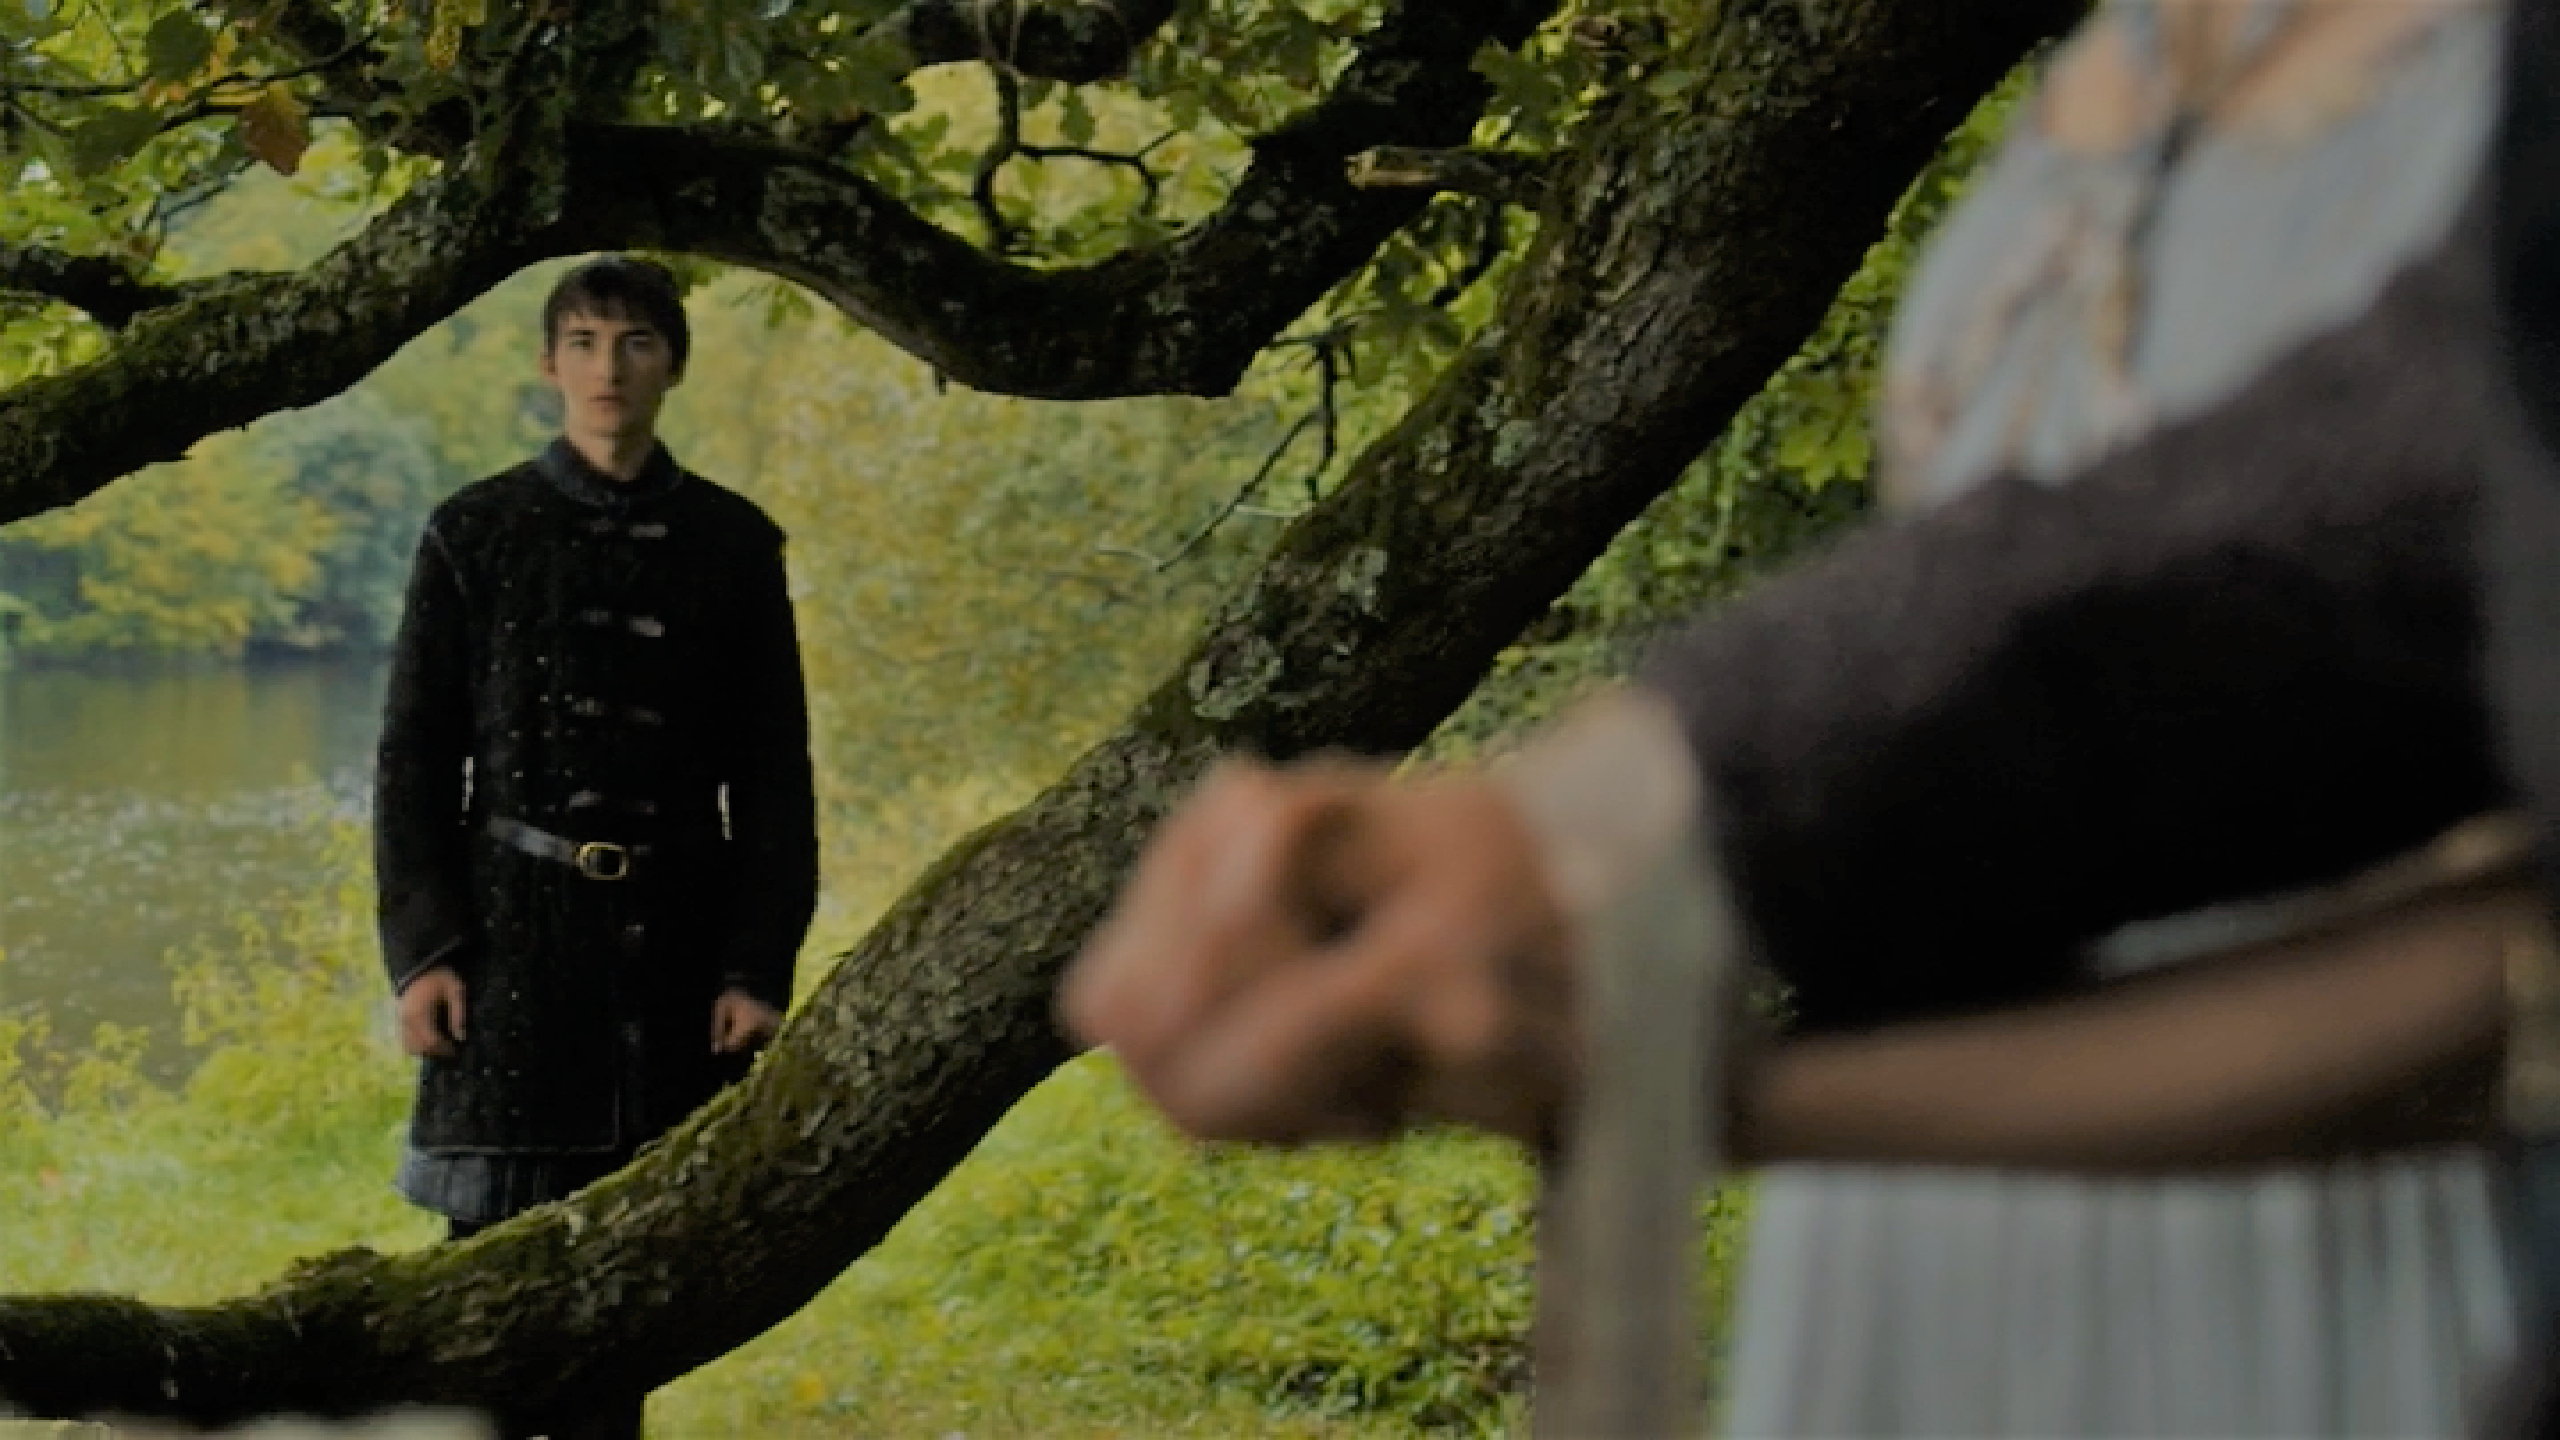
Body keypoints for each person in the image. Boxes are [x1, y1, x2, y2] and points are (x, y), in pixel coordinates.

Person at [1065, 0, 2552, 1432]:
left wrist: (1639, 836)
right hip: (1939, 1210)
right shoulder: (2113, 61)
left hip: (2333, 1227)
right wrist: (1687, 1030)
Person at [373, 255, 819, 1440]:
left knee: (623, 1302)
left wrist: (754, 966)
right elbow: (414, 762)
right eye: (582, 341)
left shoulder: (734, 544)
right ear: (548, 363)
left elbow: (772, 781)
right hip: (509, 952)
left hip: (675, 958)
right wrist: (425, 956)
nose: (607, 367)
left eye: (634, 342)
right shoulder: (472, 532)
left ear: (673, 363)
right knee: (484, 1294)